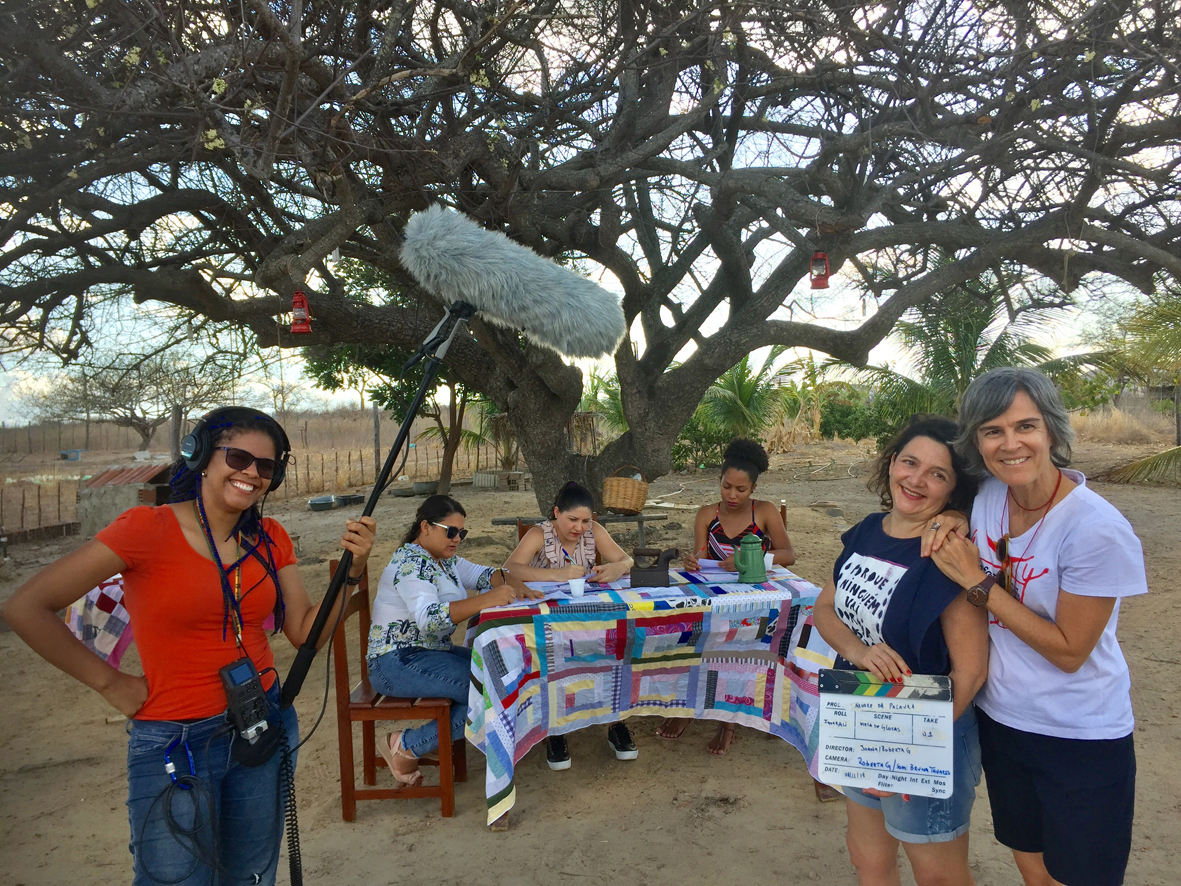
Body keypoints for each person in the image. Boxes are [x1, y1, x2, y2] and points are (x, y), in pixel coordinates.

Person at [2, 406, 375, 886]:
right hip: (174, 738)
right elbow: (26, 607)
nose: (252, 474)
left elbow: (306, 632)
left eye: (267, 467)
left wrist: (355, 570)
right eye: (239, 458)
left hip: (262, 723)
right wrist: (112, 684)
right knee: (175, 879)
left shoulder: (271, 538)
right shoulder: (145, 529)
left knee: (250, 875)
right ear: (200, 455)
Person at [926, 368, 1147, 886]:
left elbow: (1070, 651)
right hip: (1003, 722)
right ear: (976, 442)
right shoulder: (986, 499)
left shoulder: (1096, 529)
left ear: (1051, 429)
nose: (1011, 444)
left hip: (1079, 733)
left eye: (1025, 426)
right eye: (992, 431)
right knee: (1030, 862)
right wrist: (952, 516)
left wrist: (979, 584)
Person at [813, 415, 988, 886]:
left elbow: (970, 672)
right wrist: (861, 650)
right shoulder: (867, 531)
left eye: (938, 474)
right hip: (859, 718)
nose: (917, 480)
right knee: (868, 860)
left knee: (938, 876)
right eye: (909, 462)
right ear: (891, 464)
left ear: (953, 491)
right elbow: (825, 608)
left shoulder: (948, 553)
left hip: (928, 734)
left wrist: (901, 753)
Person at [367, 494, 542, 787]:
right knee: (492, 693)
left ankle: (431, 738)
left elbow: (486, 575)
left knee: (506, 675)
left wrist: (513, 582)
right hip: (396, 661)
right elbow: (430, 618)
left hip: (429, 652)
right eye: (450, 531)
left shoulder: (444, 561)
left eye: (462, 532)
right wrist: (486, 600)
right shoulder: (412, 564)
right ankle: (407, 745)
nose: (457, 538)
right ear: (425, 527)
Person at [657, 438, 795, 753]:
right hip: (717, 597)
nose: (732, 495)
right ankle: (692, 708)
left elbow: (789, 554)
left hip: (757, 598)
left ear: (754, 488)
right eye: (726, 486)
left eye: (741, 489)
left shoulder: (765, 513)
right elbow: (701, 557)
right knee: (692, 632)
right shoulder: (707, 514)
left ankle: (728, 721)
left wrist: (753, 559)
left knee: (741, 639)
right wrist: (692, 561)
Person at [504, 481, 638, 770]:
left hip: (587, 614)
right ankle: (555, 730)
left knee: (617, 645)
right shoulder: (540, 533)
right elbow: (509, 569)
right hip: (547, 617)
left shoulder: (594, 532)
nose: (579, 527)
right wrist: (558, 575)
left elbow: (626, 559)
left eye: (585, 520)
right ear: (556, 513)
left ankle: (616, 721)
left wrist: (617, 567)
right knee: (552, 658)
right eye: (572, 520)